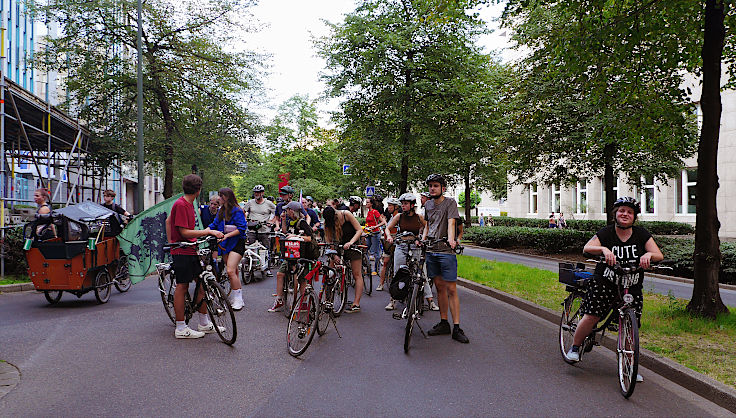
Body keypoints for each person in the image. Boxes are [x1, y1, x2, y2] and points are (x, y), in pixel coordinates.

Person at [566, 197, 663, 362]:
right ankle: (574, 347)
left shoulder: (641, 234)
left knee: (631, 324)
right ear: (615, 214)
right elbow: (587, 248)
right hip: (605, 282)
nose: (625, 214)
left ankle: (629, 366)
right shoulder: (607, 233)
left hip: (631, 284)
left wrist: (648, 254)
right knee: (592, 316)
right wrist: (604, 249)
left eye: (630, 212)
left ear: (634, 216)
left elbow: (658, 255)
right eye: (622, 211)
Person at [166, 174, 225, 339]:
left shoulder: (187, 204)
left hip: (190, 249)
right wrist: (207, 231)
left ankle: (204, 323)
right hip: (182, 251)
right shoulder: (182, 205)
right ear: (199, 190)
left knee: (202, 284)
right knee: (182, 286)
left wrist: (172, 240)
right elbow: (184, 232)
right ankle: (180, 327)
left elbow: (168, 222)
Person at [422, 174, 468, 343]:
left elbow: (451, 222)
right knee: (439, 288)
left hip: (446, 251)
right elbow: (428, 225)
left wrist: (451, 240)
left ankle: (456, 327)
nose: (432, 188)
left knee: (451, 289)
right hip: (431, 250)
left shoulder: (450, 203)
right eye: (430, 186)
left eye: (435, 185)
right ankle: (444, 322)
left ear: (443, 188)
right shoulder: (427, 204)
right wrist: (423, 239)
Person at [384, 193, 438, 312]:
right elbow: (388, 228)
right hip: (401, 246)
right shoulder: (399, 216)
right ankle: (393, 301)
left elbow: (427, 227)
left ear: (412, 205)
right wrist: (389, 236)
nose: (403, 206)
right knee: (398, 273)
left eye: (406, 204)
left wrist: (423, 239)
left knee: (421, 273)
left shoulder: (419, 217)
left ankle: (430, 301)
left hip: (415, 246)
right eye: (402, 204)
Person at [268, 201, 318, 312]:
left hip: (302, 255)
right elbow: (285, 231)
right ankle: (279, 300)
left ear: (292, 210)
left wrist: (295, 236)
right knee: (280, 274)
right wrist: (284, 220)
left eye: (287, 209)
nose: (285, 211)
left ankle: (303, 303)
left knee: (301, 279)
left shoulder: (303, 223)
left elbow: (310, 238)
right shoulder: (291, 221)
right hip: (291, 253)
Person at [204, 187, 247, 310]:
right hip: (225, 244)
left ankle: (238, 300)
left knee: (230, 270)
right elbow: (214, 224)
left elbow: (242, 228)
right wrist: (205, 231)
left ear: (226, 197)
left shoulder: (237, 211)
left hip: (237, 242)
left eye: (220, 196)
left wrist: (226, 235)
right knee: (234, 272)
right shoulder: (221, 211)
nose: (218, 198)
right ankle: (236, 295)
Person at [322, 205, 364, 313]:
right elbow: (330, 240)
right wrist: (334, 255)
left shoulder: (346, 214)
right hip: (337, 247)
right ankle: (328, 300)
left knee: (357, 274)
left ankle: (356, 303)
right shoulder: (328, 223)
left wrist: (351, 242)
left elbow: (359, 230)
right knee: (330, 271)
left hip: (352, 246)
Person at [244, 185, 277, 277]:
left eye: (258, 192)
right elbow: (244, 212)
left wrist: (271, 221)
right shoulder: (250, 203)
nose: (256, 194)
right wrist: (245, 219)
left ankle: (268, 269)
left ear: (262, 193)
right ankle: (249, 267)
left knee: (266, 248)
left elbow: (277, 213)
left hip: (264, 229)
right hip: (252, 229)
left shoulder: (269, 203)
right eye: (255, 192)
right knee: (250, 248)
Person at [377, 197, 400, 291]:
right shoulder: (391, 217)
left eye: (390, 205)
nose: (388, 207)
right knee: (385, 263)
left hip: (398, 244)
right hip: (389, 244)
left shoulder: (399, 217)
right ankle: (381, 284)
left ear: (396, 207)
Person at [364, 197, 386, 275]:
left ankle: (376, 270)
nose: (366, 204)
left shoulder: (375, 212)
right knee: (365, 250)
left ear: (371, 204)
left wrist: (375, 227)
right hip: (369, 233)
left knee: (376, 252)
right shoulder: (368, 212)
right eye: (366, 202)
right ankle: (369, 267)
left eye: (367, 203)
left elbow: (383, 222)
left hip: (375, 234)